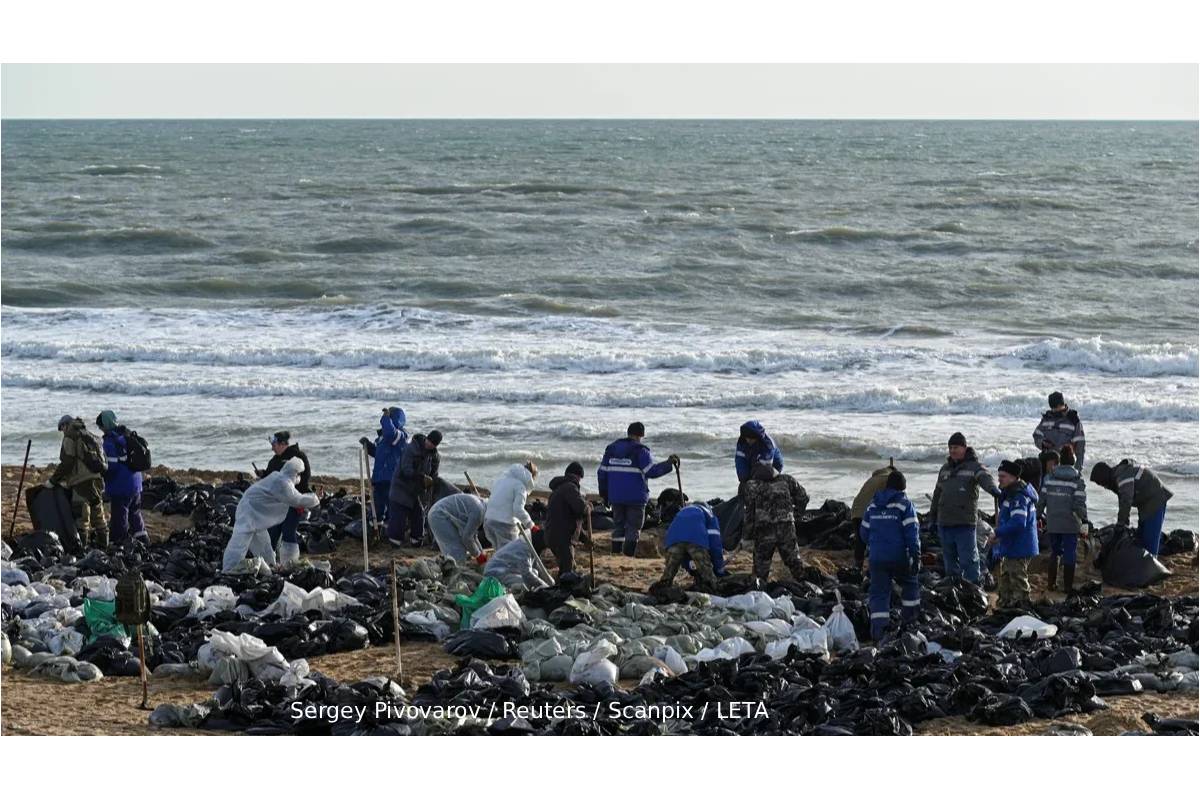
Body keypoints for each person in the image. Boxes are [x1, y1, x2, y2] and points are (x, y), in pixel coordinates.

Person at [222, 457, 319, 571]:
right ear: (293, 473)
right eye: (298, 474)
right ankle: (228, 569)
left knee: (263, 542)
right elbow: (296, 499)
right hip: (248, 512)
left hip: (254, 512)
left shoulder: (279, 477)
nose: (299, 478)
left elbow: (294, 495)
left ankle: (270, 566)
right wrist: (316, 498)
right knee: (240, 543)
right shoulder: (283, 483)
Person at [928, 432, 999, 585]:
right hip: (945, 523)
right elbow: (937, 494)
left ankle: (975, 588)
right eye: (951, 447)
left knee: (969, 561)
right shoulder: (945, 469)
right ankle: (954, 588)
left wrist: (994, 490)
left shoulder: (974, 467)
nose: (953, 451)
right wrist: (932, 518)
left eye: (956, 447)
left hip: (965, 524)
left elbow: (986, 479)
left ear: (965, 448)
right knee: (949, 561)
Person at [598, 422, 678, 556]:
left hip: (616, 497)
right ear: (641, 435)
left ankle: (616, 554)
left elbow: (601, 473)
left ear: (628, 433)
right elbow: (651, 471)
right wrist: (669, 464)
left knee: (619, 526)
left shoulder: (611, 450)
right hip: (636, 498)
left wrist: (604, 494)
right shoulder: (641, 451)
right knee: (633, 528)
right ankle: (628, 556)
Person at [859, 470, 920, 640]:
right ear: (902, 488)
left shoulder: (873, 505)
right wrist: (916, 557)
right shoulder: (904, 505)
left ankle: (879, 633)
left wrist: (875, 544)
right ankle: (910, 625)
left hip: (877, 558)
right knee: (910, 584)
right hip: (899, 556)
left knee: (879, 593)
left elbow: (863, 533)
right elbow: (912, 534)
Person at [1090, 458, 1172, 557]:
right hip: (1145, 503)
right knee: (1141, 537)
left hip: (1155, 499)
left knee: (1150, 543)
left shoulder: (1122, 477)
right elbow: (1123, 503)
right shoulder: (1118, 477)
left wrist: (1120, 525)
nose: (1103, 486)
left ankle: (1151, 566)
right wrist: (1124, 524)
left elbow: (1126, 502)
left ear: (1104, 478)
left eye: (1100, 483)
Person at [742, 463, 809, 584]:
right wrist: (797, 515)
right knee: (794, 562)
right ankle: (807, 587)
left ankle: (760, 591)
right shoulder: (787, 480)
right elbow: (804, 497)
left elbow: (750, 514)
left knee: (761, 568)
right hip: (786, 527)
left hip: (764, 530)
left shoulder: (752, 486)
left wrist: (746, 537)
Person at [49, 415, 109, 549]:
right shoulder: (89, 434)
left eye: (62, 429)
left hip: (81, 482)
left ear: (65, 425)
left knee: (82, 516)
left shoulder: (70, 436)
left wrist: (53, 480)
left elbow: (68, 462)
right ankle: (104, 545)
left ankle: (81, 548)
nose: (62, 432)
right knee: (98, 513)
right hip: (97, 479)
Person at [1037, 445, 1090, 593]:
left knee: (1055, 552)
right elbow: (1079, 504)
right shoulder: (1077, 479)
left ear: (1060, 460)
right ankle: (1067, 587)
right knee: (1069, 552)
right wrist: (1085, 520)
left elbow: (1041, 501)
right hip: (1070, 523)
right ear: (1073, 460)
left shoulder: (1049, 478)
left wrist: (1036, 516)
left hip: (1053, 522)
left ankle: (1051, 584)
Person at [256, 431, 312, 565]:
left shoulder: (298, 457)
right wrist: (263, 474)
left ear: (282, 444)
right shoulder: (274, 461)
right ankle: (271, 563)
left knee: (288, 531)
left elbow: (304, 480)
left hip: (293, 503)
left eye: (274, 444)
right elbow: (271, 478)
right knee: (272, 533)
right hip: (276, 505)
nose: (272, 448)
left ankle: (290, 563)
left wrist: (297, 498)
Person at [95, 410, 147, 545]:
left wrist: (101, 475)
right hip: (136, 482)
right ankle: (143, 540)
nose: (100, 429)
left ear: (105, 425)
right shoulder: (126, 435)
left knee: (120, 517)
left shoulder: (109, 442)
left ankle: (120, 543)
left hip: (121, 486)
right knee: (135, 513)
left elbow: (111, 467)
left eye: (100, 426)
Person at [992, 460, 1039, 609]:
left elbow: (1019, 522)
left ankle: (1023, 606)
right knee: (1006, 577)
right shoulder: (1009, 494)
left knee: (1017, 577)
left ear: (1013, 477)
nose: (999, 479)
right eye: (999, 475)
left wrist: (997, 532)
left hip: (1021, 546)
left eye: (1003, 476)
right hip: (1010, 545)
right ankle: (1005, 604)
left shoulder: (1019, 497)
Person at [652, 501, 726, 592]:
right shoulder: (710, 515)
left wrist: (691, 568)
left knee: (670, 570)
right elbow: (715, 545)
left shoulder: (682, 512)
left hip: (673, 539)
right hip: (696, 539)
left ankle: (663, 587)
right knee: (708, 575)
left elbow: (684, 556)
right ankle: (714, 589)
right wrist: (719, 569)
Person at [387, 430, 442, 546]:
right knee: (399, 515)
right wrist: (421, 477)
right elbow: (406, 469)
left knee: (419, 514)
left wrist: (431, 481)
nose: (430, 444)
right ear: (426, 438)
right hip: (401, 486)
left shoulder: (435, 456)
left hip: (417, 491)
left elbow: (434, 474)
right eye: (429, 441)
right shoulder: (411, 448)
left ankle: (416, 540)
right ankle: (394, 541)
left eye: (433, 443)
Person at [359, 406, 408, 526]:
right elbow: (379, 454)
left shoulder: (400, 436)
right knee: (378, 505)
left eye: (390, 417)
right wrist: (369, 446)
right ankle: (376, 526)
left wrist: (386, 419)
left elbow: (390, 434)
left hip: (391, 478)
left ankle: (390, 529)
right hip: (380, 477)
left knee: (391, 506)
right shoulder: (382, 438)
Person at [850, 461, 898, 571]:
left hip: (855, 510)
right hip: (867, 512)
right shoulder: (888, 478)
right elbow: (893, 498)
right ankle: (875, 568)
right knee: (877, 540)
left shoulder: (875, 478)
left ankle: (858, 568)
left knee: (860, 541)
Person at [545, 462, 590, 577]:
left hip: (554, 535)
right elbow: (580, 509)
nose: (580, 481)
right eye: (580, 478)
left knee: (568, 567)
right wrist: (588, 507)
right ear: (577, 476)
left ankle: (560, 588)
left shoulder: (559, 489)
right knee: (568, 570)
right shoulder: (570, 487)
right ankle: (562, 592)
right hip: (562, 537)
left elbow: (571, 520)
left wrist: (585, 539)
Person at [483, 462, 538, 548]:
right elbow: (518, 510)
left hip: (488, 521)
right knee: (510, 553)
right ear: (531, 477)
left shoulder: (502, 480)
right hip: (504, 524)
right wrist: (531, 525)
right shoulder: (520, 486)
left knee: (499, 553)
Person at [427, 491, 488, 562]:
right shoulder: (479, 512)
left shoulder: (481, 505)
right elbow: (467, 538)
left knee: (453, 551)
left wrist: (481, 552)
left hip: (437, 511)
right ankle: (455, 570)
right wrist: (478, 555)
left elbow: (473, 535)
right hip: (439, 514)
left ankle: (451, 566)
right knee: (457, 550)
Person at [1033, 391, 1086, 471]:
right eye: (1052, 408)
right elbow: (1036, 435)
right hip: (1047, 463)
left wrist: (1078, 468)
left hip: (1065, 463)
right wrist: (1042, 443)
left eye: (1055, 407)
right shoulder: (1047, 418)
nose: (1053, 410)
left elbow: (1080, 445)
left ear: (1061, 405)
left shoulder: (1073, 420)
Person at [484, 531, 553, 591]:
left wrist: (550, 581)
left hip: (507, 570)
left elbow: (537, 566)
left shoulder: (529, 545)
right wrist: (545, 586)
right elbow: (527, 574)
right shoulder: (523, 549)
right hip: (495, 573)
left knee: (535, 572)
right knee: (525, 584)